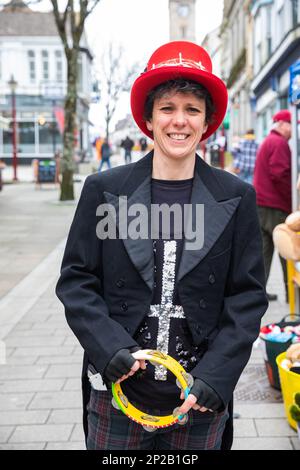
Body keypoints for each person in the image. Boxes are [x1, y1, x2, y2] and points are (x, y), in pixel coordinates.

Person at [56, 41, 268, 451]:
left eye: (192, 110)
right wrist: (109, 345)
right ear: (149, 119)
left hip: (199, 397)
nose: (179, 121)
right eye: (168, 108)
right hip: (115, 393)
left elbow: (247, 297)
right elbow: (76, 281)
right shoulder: (104, 191)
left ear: (206, 122)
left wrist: (217, 377)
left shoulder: (236, 196)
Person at [253, 110, 292, 302]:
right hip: (276, 205)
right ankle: (292, 294)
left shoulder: (268, 141)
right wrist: (291, 201)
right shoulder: (279, 143)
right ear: (284, 124)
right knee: (287, 249)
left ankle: (257, 293)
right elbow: (280, 174)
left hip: (261, 203)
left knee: (264, 251)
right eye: (292, 125)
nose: (293, 130)